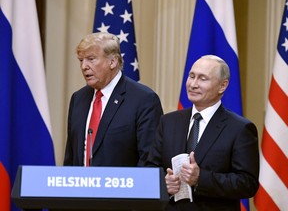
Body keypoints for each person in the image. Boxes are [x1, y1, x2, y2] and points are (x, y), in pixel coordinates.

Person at [146, 55, 259, 211]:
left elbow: (247, 184)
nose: (193, 84)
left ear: (222, 86)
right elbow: (151, 167)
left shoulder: (240, 128)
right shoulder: (168, 122)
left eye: (202, 79)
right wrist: (164, 184)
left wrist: (201, 178)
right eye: (191, 76)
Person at [63, 32, 163, 167]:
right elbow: (71, 157)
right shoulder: (78, 99)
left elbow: (149, 161)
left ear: (113, 61)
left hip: (122, 187)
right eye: (81, 60)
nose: (84, 66)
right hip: (81, 186)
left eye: (91, 59)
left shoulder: (144, 100)